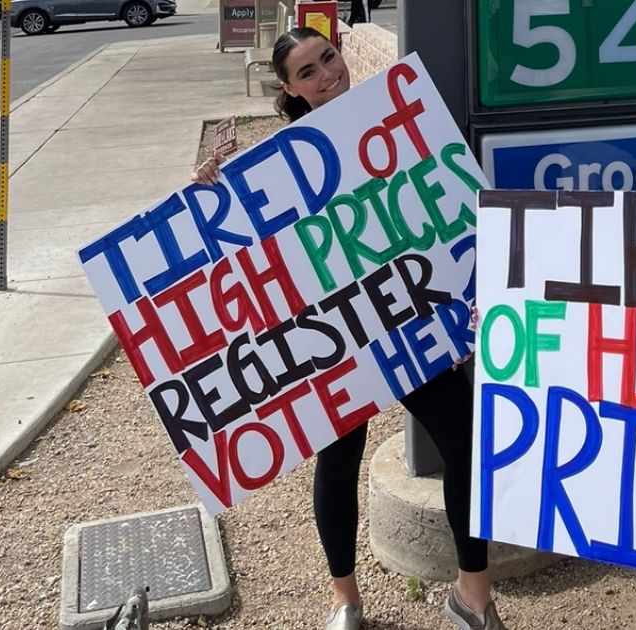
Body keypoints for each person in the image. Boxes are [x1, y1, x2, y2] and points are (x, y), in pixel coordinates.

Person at [192, 27, 505, 630]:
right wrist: (212, 192)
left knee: (466, 443)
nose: (326, 74)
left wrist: (464, 306)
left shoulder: (397, 128)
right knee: (338, 458)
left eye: (328, 58)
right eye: (307, 72)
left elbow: (442, 216)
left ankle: (474, 596)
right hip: (337, 335)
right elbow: (242, 252)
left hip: (413, 322)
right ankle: (345, 602)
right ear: (288, 89)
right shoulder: (275, 164)